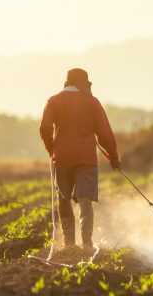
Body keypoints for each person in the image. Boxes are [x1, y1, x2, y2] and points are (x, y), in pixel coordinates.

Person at [39, 68, 121, 254]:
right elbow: (105, 134)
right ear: (82, 83)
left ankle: (69, 244)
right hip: (86, 158)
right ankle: (86, 244)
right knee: (85, 201)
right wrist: (114, 157)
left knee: (64, 198)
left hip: (62, 158)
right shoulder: (92, 102)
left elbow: (44, 127)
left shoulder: (53, 100)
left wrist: (51, 149)